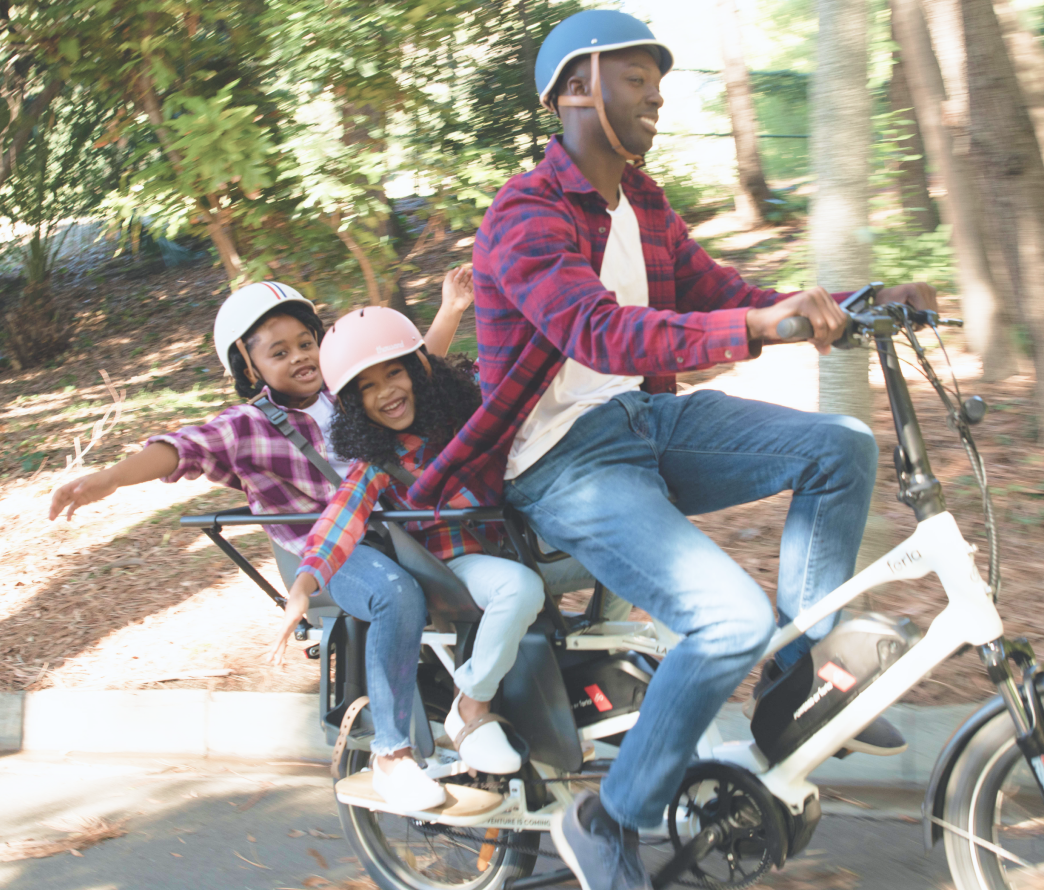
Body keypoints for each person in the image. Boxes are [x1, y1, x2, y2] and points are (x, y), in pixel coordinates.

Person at [398, 11, 940, 889]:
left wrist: (859, 299)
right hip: (561, 457)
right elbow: (600, 332)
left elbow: (723, 292)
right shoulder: (522, 215)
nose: (656, 97)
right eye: (636, 80)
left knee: (839, 446)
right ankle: (610, 816)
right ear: (577, 89)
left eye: (659, 82)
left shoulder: (641, 203)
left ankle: (796, 685)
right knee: (728, 619)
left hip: (646, 425)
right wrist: (755, 328)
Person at [49, 274, 475, 811]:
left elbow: (409, 379)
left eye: (306, 343)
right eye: (279, 352)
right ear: (249, 369)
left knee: (494, 566)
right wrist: (112, 477)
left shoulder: (347, 392)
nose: (300, 357)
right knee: (395, 595)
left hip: (400, 529)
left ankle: (486, 711)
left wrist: (451, 311)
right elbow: (182, 448)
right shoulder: (247, 426)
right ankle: (391, 756)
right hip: (335, 555)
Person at [265, 305, 552, 779]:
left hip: (516, 540)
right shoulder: (376, 464)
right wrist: (304, 584)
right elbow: (341, 519)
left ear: (419, 371)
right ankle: (472, 707)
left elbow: (517, 374)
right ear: (354, 406)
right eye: (367, 388)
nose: (386, 393)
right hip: (458, 565)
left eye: (394, 373)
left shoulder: (464, 417)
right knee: (519, 589)